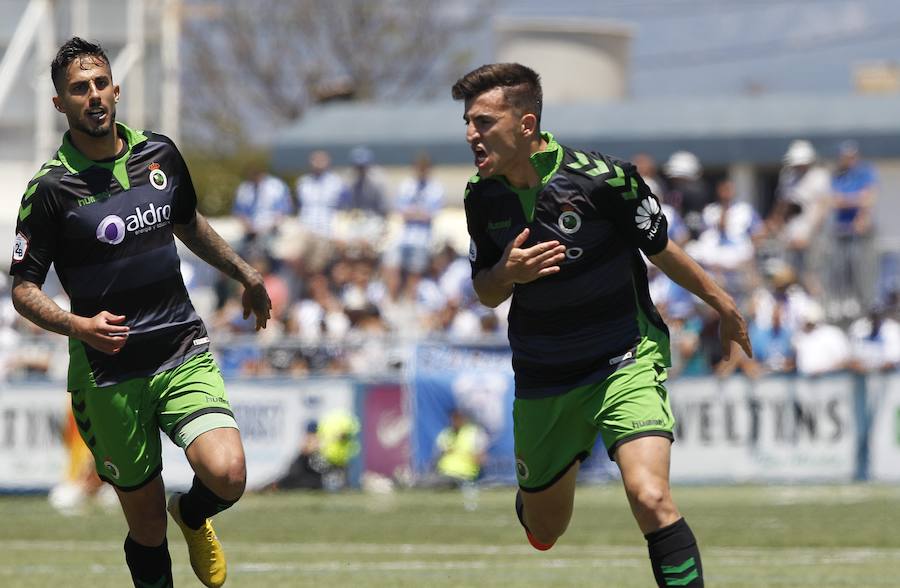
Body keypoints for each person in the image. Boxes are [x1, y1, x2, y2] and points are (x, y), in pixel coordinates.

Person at [452, 63, 751, 587]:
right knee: (546, 530)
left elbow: (661, 248)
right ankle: (539, 490)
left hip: (625, 358)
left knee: (651, 497)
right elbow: (485, 292)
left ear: (526, 125)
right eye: (468, 123)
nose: (471, 135)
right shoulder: (482, 196)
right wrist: (508, 272)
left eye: (483, 122)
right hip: (545, 374)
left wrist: (722, 303)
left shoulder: (604, 179)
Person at [10, 38, 272, 588]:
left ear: (116, 88)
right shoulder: (50, 189)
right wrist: (77, 325)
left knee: (227, 474)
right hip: (109, 372)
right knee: (146, 526)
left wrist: (245, 274)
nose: (94, 96)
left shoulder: (160, 154)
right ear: (61, 103)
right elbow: (24, 290)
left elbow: (188, 223)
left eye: (101, 83)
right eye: (80, 89)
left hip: (180, 346)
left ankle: (194, 511)